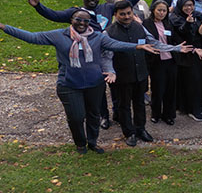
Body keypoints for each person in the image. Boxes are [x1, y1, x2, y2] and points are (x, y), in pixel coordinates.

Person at [0, 9, 158, 153]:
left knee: (94, 115)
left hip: (94, 84)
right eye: (78, 20)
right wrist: (4, 27)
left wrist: (137, 47)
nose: (82, 23)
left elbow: (115, 45)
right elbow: (31, 37)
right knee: (76, 117)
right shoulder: (58, 36)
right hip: (69, 85)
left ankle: (92, 142)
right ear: (71, 20)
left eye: (86, 21)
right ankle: (80, 143)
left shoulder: (97, 37)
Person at [106, 1, 190, 146]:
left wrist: (175, 48)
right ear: (116, 15)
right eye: (123, 14)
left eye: (129, 13)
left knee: (139, 103)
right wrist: (111, 71)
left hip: (140, 74)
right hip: (122, 76)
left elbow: (154, 43)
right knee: (124, 105)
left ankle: (140, 129)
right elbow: (106, 56)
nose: (126, 16)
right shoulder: (109, 32)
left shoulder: (140, 27)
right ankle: (129, 132)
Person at [169, 0, 202, 121]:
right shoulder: (175, 18)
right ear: (180, 6)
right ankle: (192, 109)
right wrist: (188, 23)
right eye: (186, 5)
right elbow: (180, 34)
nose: (189, 8)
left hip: (198, 53)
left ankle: (197, 103)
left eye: (191, 5)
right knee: (191, 82)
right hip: (185, 54)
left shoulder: (196, 15)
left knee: (199, 80)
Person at [142, 0, 179, 125]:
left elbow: (173, 39)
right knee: (158, 89)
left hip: (170, 60)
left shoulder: (169, 23)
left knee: (171, 88)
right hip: (156, 61)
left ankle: (168, 114)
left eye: (164, 10)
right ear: (153, 10)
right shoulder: (147, 24)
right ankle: (156, 114)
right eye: (159, 10)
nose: (162, 13)